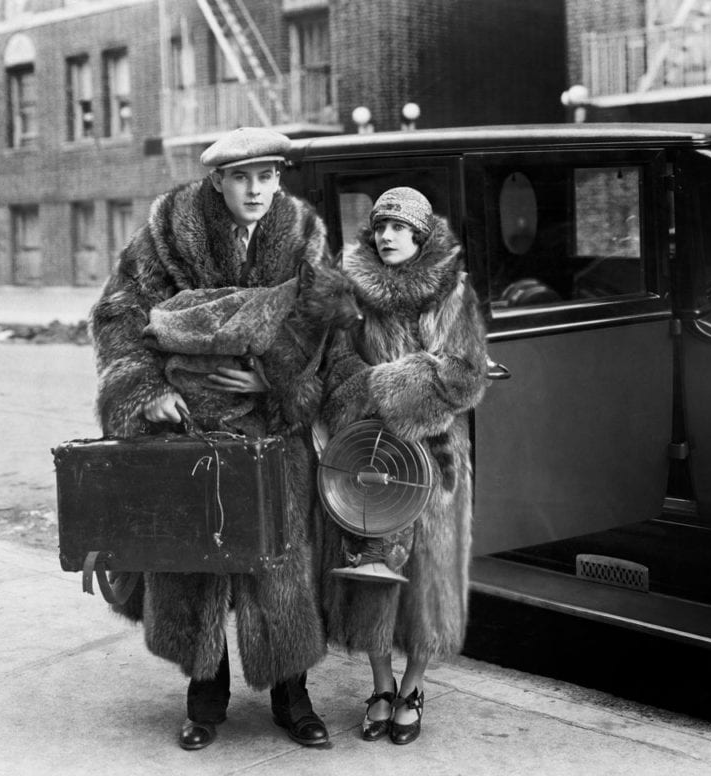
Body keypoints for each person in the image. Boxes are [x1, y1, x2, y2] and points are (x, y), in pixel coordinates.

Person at [90, 127, 331, 751]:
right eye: (242, 177)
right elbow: (118, 314)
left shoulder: (302, 234)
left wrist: (271, 374)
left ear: (279, 178)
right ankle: (204, 699)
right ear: (217, 180)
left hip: (273, 428)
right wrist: (146, 394)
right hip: (189, 428)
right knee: (196, 561)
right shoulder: (167, 234)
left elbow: (324, 322)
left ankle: (292, 697)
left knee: (280, 561)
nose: (256, 189)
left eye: (267, 176)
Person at [318, 187, 490, 745]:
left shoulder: (453, 293)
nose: (388, 236)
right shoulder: (352, 294)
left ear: (421, 235)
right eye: (381, 227)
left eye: (400, 227)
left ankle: (413, 688)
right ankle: (381, 685)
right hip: (368, 459)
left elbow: (466, 375)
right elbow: (337, 373)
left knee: (427, 583)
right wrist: (382, 388)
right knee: (371, 574)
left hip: (436, 463)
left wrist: (388, 385)